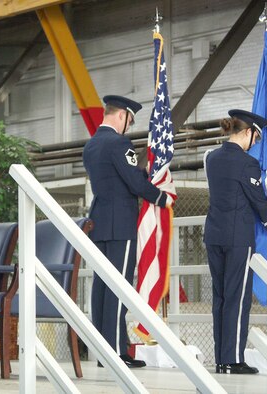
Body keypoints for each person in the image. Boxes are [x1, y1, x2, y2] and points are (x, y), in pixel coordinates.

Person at [83, 95, 170, 368]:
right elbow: (132, 181)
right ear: (121, 115)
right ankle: (118, 351)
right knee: (119, 286)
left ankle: (102, 350)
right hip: (120, 221)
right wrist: (160, 197)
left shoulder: (91, 144)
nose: (128, 128)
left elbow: (117, 177)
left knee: (101, 286)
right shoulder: (119, 142)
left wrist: (141, 174)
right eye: (129, 121)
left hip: (99, 220)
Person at [204, 109, 267, 374]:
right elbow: (258, 201)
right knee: (238, 299)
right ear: (246, 132)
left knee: (220, 298)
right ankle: (234, 359)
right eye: (255, 137)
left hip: (214, 235)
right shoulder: (246, 163)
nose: (255, 143)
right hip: (237, 238)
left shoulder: (212, 158)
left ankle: (222, 359)